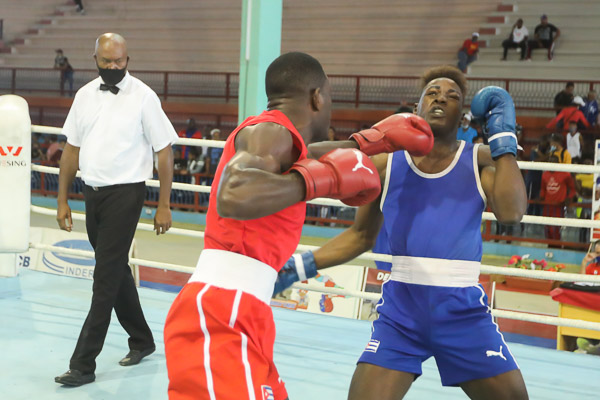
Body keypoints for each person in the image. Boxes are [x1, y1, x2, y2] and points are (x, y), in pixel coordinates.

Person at [162, 51, 434, 400]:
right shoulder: (271, 131)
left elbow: (310, 155)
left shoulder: (283, 139)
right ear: (317, 97)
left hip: (243, 310)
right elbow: (234, 193)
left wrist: (368, 142)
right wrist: (317, 182)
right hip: (222, 313)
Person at [275, 66, 528, 399]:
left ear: (463, 116)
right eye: (433, 93)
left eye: (452, 96)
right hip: (401, 312)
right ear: (415, 111)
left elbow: (512, 213)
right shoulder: (388, 163)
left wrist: (502, 139)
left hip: (462, 311)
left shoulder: (479, 161)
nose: (441, 97)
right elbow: (358, 233)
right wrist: (367, 143)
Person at [54, 33, 179, 387]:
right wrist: (63, 199)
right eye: (106, 61)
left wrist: (164, 204)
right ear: (94, 58)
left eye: (119, 61)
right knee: (116, 270)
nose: (113, 67)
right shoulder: (83, 96)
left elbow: (164, 152)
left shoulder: (144, 97)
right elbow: (71, 150)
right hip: (91, 194)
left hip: (127, 194)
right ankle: (142, 339)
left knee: (104, 278)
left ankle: (82, 365)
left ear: (128, 59)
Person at [540, 155, 576, 241]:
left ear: (558, 163)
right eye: (550, 161)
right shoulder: (545, 175)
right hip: (547, 206)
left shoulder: (565, 174)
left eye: (553, 161)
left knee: (555, 229)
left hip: (559, 206)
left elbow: (573, 189)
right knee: (547, 228)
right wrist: (541, 198)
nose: (551, 163)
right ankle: (550, 247)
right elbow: (543, 189)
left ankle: (557, 248)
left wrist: (569, 198)